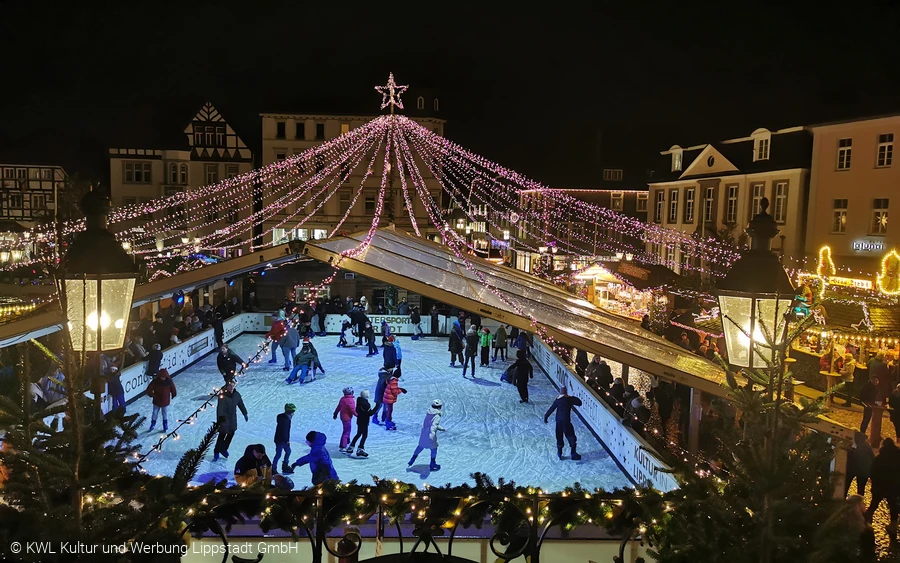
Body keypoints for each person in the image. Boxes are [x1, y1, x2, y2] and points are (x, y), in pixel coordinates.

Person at [865, 437, 900, 529]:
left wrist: (874, 481)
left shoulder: (879, 458)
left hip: (879, 486)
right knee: (893, 505)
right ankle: (893, 525)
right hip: (894, 486)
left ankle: (867, 521)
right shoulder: (898, 457)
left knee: (874, 504)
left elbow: (872, 471)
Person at [544, 386, 583, 460]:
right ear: (566, 392)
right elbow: (579, 403)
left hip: (558, 422)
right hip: (566, 422)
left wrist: (546, 416)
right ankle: (573, 454)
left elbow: (551, 408)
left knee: (559, 436)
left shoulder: (557, 400)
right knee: (571, 436)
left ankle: (559, 453)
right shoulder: (570, 400)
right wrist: (572, 397)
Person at [408, 400, 447, 471]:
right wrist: (432, 436)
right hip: (430, 435)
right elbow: (433, 426)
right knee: (434, 449)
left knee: (420, 446)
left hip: (424, 433)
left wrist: (441, 428)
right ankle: (432, 464)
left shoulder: (429, 413)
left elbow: (430, 424)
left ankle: (412, 460)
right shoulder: (437, 415)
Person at [214, 381, 248, 462]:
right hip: (224, 419)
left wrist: (245, 413)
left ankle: (224, 449)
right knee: (222, 435)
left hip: (232, 418)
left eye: (232, 386)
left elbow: (241, 404)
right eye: (229, 386)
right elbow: (220, 408)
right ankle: (217, 451)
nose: (231, 388)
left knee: (231, 433)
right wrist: (220, 419)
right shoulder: (223, 396)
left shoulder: (236, 395)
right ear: (226, 387)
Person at [845, 432, 875, 497]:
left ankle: (843, 499)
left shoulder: (851, 447)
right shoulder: (866, 446)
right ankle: (859, 502)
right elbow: (873, 458)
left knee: (846, 485)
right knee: (861, 489)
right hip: (864, 471)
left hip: (853, 469)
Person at [147, 368, 177, 433]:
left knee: (164, 413)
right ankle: (153, 423)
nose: (162, 378)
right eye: (161, 377)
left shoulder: (169, 381)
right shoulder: (155, 381)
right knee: (155, 413)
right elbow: (149, 389)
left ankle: (165, 424)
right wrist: (152, 394)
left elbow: (173, 388)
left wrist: (173, 394)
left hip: (165, 400)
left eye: (163, 377)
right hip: (157, 400)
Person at [273, 403, 296, 475]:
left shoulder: (285, 418)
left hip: (282, 439)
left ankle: (284, 466)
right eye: (293, 412)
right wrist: (286, 440)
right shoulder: (286, 420)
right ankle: (273, 469)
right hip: (281, 440)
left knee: (288, 452)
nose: (293, 414)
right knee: (279, 454)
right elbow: (284, 431)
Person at [348, 389, 372, 457]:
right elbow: (370, 413)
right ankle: (360, 449)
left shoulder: (359, 401)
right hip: (364, 421)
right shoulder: (365, 404)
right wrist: (377, 406)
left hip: (360, 421)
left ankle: (351, 446)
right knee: (364, 435)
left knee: (358, 434)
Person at [334, 387, 357, 452]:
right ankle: (342, 446)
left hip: (343, 416)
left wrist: (335, 413)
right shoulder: (350, 400)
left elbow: (338, 407)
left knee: (347, 430)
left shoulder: (343, 399)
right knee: (346, 431)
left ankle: (347, 442)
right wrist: (359, 416)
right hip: (347, 418)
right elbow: (353, 410)